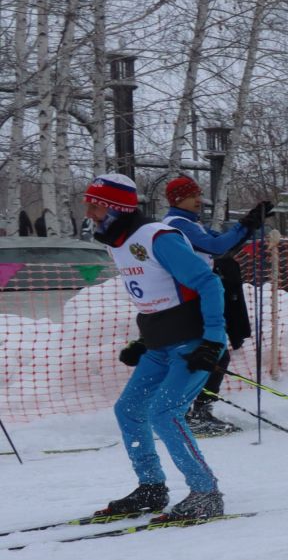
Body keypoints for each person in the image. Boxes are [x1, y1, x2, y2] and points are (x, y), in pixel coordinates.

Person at [84, 173, 230, 521]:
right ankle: (151, 486)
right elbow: (155, 294)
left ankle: (206, 492)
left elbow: (209, 283)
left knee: (165, 414)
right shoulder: (116, 241)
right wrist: (143, 339)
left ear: (115, 208)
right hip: (161, 344)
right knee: (129, 410)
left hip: (193, 342)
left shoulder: (156, 237)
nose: (89, 212)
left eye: (95, 205)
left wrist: (213, 340)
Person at [162, 174, 270, 438]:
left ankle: (194, 410)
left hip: (196, 295)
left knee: (214, 353)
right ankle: (194, 412)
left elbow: (223, 247)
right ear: (179, 199)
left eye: (198, 194)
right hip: (188, 298)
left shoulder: (190, 223)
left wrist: (250, 224)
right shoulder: (177, 225)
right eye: (193, 196)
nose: (199, 200)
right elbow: (217, 245)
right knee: (213, 353)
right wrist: (246, 224)